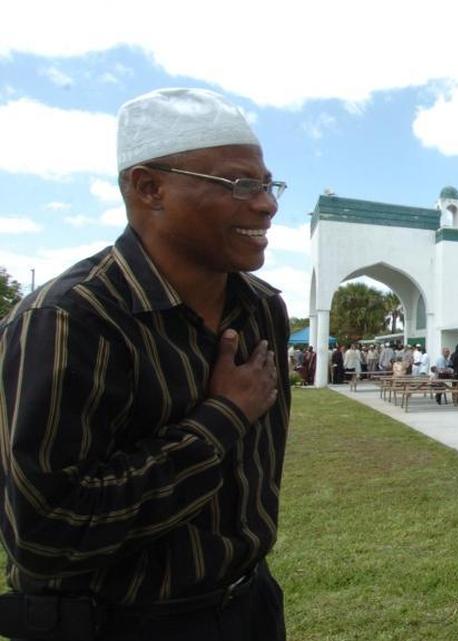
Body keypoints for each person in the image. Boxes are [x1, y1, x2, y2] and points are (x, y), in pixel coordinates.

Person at [0, 87, 290, 641]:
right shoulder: (68, 321)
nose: (267, 203)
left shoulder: (261, 308)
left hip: (250, 606)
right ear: (149, 187)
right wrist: (223, 418)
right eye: (240, 184)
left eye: (268, 183)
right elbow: (46, 536)